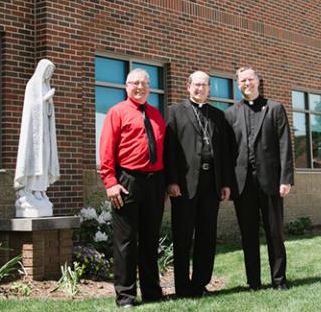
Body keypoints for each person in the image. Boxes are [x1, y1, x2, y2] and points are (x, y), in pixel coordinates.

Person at [99, 68, 166, 308]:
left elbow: (163, 151)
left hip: (155, 183)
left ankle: (152, 292)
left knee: (150, 240)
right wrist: (111, 182)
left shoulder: (157, 114)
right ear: (126, 87)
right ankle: (125, 296)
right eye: (135, 83)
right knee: (125, 241)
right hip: (127, 182)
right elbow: (107, 148)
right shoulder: (117, 112)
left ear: (150, 87)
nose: (140, 87)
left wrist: (164, 185)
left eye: (144, 84)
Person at [225, 66, 294, 290]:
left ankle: (279, 280)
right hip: (242, 184)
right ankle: (253, 282)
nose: (247, 83)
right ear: (238, 85)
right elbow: (227, 152)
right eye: (242, 81)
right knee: (248, 235)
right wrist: (227, 183)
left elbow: (285, 146)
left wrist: (286, 179)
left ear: (258, 81)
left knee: (275, 233)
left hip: (271, 182)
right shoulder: (230, 113)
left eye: (250, 79)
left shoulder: (275, 108)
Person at [164, 71, 231, 297]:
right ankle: (182, 287)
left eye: (204, 85)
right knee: (182, 237)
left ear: (209, 89)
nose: (200, 89)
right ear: (188, 86)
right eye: (196, 85)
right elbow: (169, 151)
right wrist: (171, 180)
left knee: (207, 236)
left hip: (211, 183)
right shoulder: (174, 112)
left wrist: (225, 183)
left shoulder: (218, 115)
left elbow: (224, 153)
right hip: (184, 184)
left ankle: (200, 284)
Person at [14, 58, 60, 217]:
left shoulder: (46, 85)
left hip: (44, 131)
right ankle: (31, 190)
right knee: (35, 159)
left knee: (45, 158)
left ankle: (40, 190)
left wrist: (49, 104)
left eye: (51, 72)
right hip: (34, 132)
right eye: (47, 71)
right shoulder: (32, 85)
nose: (49, 75)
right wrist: (44, 99)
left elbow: (48, 112)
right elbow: (31, 107)